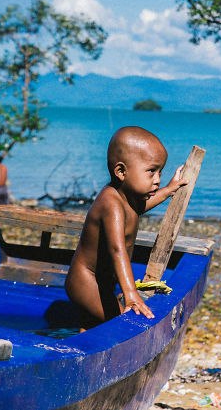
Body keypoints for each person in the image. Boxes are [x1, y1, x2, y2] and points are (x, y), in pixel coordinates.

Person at [65, 126, 187, 329]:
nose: (157, 180)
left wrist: (168, 190)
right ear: (121, 172)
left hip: (103, 282)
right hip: (86, 282)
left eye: (160, 172)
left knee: (93, 325)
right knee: (122, 323)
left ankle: (81, 338)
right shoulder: (110, 202)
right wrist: (131, 293)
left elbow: (139, 208)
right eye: (151, 171)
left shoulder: (127, 198)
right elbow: (117, 249)